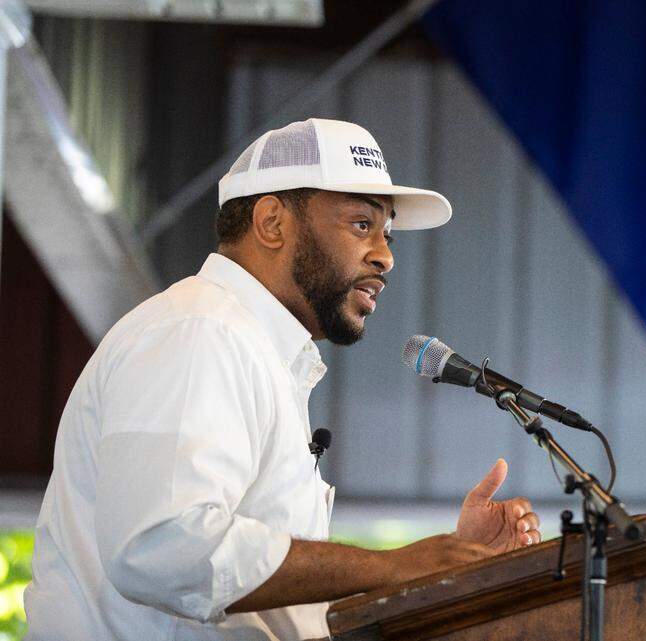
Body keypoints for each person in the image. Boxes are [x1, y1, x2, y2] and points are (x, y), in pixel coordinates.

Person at [24, 118, 541, 640]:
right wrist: (397, 565)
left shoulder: (257, 351)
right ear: (272, 221)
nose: (385, 255)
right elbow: (161, 548)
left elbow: (278, 613)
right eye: (362, 224)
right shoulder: (199, 331)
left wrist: (451, 568)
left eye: (387, 232)